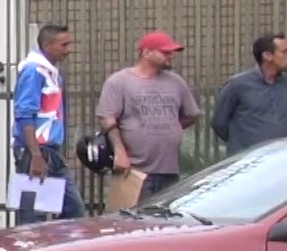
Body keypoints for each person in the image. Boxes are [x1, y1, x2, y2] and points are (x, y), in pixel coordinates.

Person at [98, 31, 201, 204]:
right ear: (146, 53)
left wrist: (170, 128)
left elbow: (192, 114)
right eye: (166, 52)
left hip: (169, 169)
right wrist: (119, 151)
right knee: (134, 222)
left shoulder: (175, 81)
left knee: (164, 224)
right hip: (135, 170)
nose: (171, 57)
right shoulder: (119, 81)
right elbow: (107, 118)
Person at [13, 24, 83, 223]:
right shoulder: (33, 71)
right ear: (46, 45)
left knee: (72, 209)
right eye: (64, 45)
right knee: (33, 217)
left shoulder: (50, 72)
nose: (68, 50)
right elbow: (24, 113)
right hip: (35, 152)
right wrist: (35, 155)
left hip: (50, 152)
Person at [212, 34, 287, 156]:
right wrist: (241, 142)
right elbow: (219, 123)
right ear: (267, 56)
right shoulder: (238, 85)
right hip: (246, 163)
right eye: (284, 52)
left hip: (281, 162)